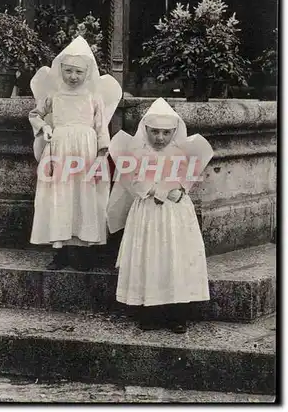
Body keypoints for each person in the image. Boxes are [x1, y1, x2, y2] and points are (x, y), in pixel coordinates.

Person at [107, 98, 213, 333]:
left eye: (166, 132)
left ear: (174, 131)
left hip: (175, 213)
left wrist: (182, 188)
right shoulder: (136, 152)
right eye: (155, 131)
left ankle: (177, 313)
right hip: (148, 211)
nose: (160, 138)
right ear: (145, 129)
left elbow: (189, 176)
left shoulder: (182, 152)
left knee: (175, 257)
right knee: (149, 256)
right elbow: (133, 180)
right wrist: (157, 190)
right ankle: (149, 311)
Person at [29, 37, 110, 270]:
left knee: (84, 197)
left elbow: (101, 127)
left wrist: (101, 155)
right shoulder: (54, 96)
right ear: (61, 70)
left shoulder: (94, 97)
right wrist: (44, 126)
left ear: (87, 73)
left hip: (85, 152)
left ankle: (84, 252)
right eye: (68, 71)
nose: (73, 76)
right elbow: (34, 114)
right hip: (60, 151)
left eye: (78, 72)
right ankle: (60, 251)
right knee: (60, 196)